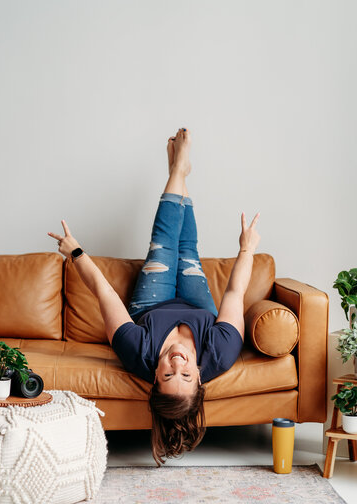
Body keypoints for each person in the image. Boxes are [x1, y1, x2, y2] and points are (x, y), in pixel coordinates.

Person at [48, 128, 261, 467]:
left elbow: (104, 292)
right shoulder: (220, 353)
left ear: (154, 379)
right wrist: (246, 249)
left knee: (164, 245)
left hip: (151, 305)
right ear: (201, 378)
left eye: (167, 375)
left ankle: (178, 171)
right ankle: (178, 171)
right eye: (186, 375)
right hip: (199, 307)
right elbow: (235, 292)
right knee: (187, 248)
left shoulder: (138, 354)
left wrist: (76, 253)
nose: (177, 363)